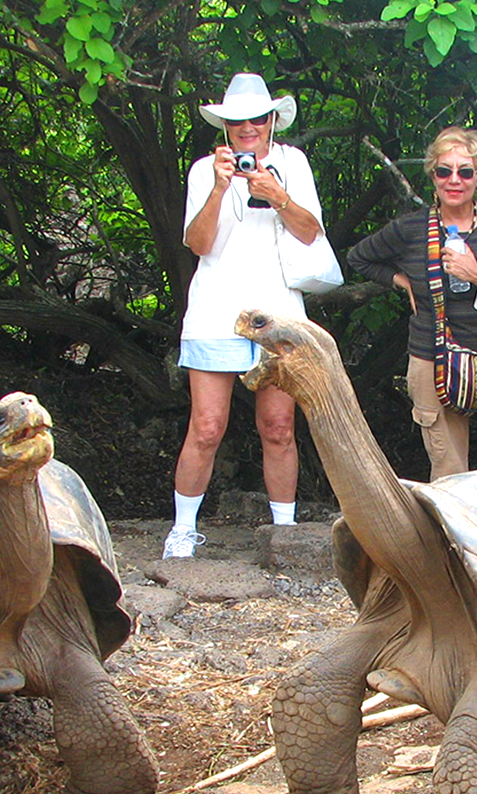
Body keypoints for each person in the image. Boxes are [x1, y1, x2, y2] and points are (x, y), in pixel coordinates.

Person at [164, 73, 326, 559]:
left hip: (277, 315)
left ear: (273, 121)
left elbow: (310, 232)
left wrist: (277, 195)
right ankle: (183, 530)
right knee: (207, 427)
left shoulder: (292, 163)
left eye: (258, 118)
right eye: (238, 121)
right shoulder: (202, 171)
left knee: (278, 427)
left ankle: (286, 533)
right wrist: (219, 187)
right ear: (226, 127)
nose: (249, 127)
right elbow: (198, 244)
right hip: (216, 310)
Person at [348, 127, 477, 480]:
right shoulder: (413, 228)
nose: (454, 180)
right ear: (432, 174)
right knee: (449, 474)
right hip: (433, 359)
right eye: (443, 171)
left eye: (465, 171)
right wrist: (400, 281)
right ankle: (449, 538)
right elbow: (360, 257)